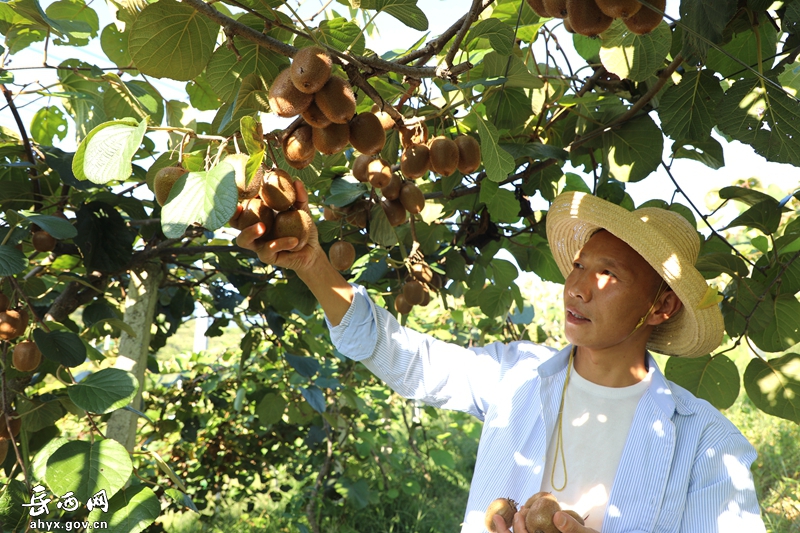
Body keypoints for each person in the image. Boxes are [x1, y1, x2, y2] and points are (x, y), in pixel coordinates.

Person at [236, 185, 766, 533]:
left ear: (662, 305)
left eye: (607, 273)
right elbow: (402, 357)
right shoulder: (515, 375)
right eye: (578, 265)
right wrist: (312, 265)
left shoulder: (707, 445)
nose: (577, 287)